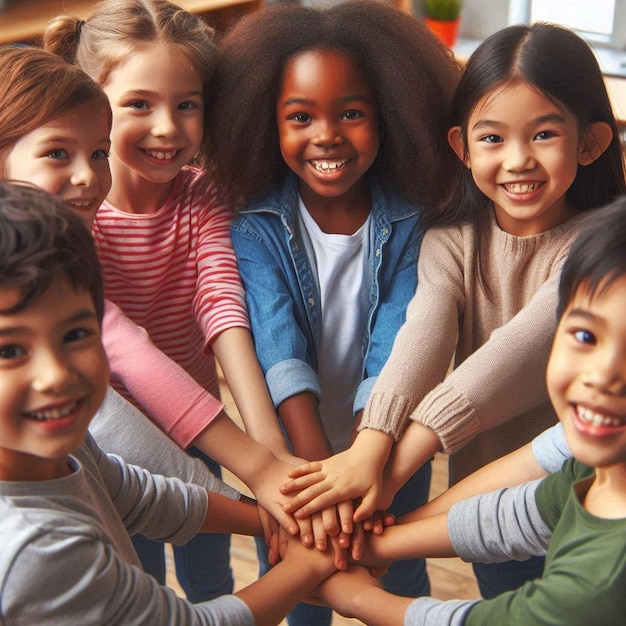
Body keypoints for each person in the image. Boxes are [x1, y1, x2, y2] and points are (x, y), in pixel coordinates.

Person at [281, 21, 626, 598]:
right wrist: (371, 442)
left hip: (591, 497)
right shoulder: (450, 239)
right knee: (503, 596)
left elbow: (509, 360)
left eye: (543, 134)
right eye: (492, 139)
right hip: (485, 505)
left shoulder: (604, 247)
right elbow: (425, 334)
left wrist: (383, 475)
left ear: (590, 143)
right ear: (461, 148)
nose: (517, 160)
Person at [0, 43, 323, 591]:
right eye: (58, 154)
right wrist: (262, 471)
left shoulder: (89, 217)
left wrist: (266, 458)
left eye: (97, 153)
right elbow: (124, 348)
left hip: (194, 427)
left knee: (207, 571)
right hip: (98, 441)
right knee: (137, 570)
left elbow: (221, 302)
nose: (86, 179)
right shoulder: (39, 250)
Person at [204, 1, 462, 622]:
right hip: (297, 452)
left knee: (396, 567)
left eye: (351, 113)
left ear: (391, 117)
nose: (327, 135)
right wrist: (319, 468)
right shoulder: (255, 221)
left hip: (390, 433)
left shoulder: (411, 219)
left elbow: (399, 340)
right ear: (266, 123)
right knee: (297, 572)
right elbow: (275, 340)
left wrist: (363, 459)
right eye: (300, 116)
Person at [0, 181, 339, 626]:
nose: (57, 374)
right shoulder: (36, 549)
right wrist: (311, 564)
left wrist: (269, 521)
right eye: (9, 350)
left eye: (76, 335)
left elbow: (133, 494)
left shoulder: (58, 446)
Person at [314, 194, 626, 625]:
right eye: (587, 338)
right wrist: (371, 545)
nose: (602, 375)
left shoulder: (602, 580)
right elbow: (516, 513)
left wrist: (356, 598)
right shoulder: (591, 467)